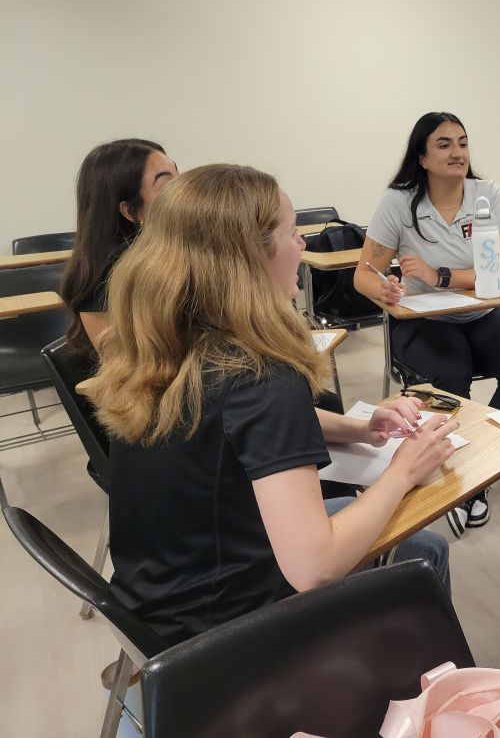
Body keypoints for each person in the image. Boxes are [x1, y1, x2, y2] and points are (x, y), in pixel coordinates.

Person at [87, 164, 457, 646]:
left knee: (386, 524)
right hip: (230, 638)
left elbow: (235, 426)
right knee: (425, 551)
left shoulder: (163, 344)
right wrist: (402, 473)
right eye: (291, 232)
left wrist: (361, 429)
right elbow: (315, 568)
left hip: (158, 610)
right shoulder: (261, 378)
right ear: (250, 256)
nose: (303, 244)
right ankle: (409, 700)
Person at [355, 111, 500, 536]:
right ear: (421, 157)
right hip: (424, 320)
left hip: (482, 312)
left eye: (462, 142)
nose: (457, 152)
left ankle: (476, 466)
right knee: (451, 373)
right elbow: (364, 274)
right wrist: (381, 289)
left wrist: (442, 275)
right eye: (444, 144)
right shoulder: (399, 202)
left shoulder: (488, 195)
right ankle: (458, 469)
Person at [61, 138, 179, 351]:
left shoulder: (175, 253)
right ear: (130, 211)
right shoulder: (104, 277)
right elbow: (123, 364)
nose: (185, 193)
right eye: (168, 186)